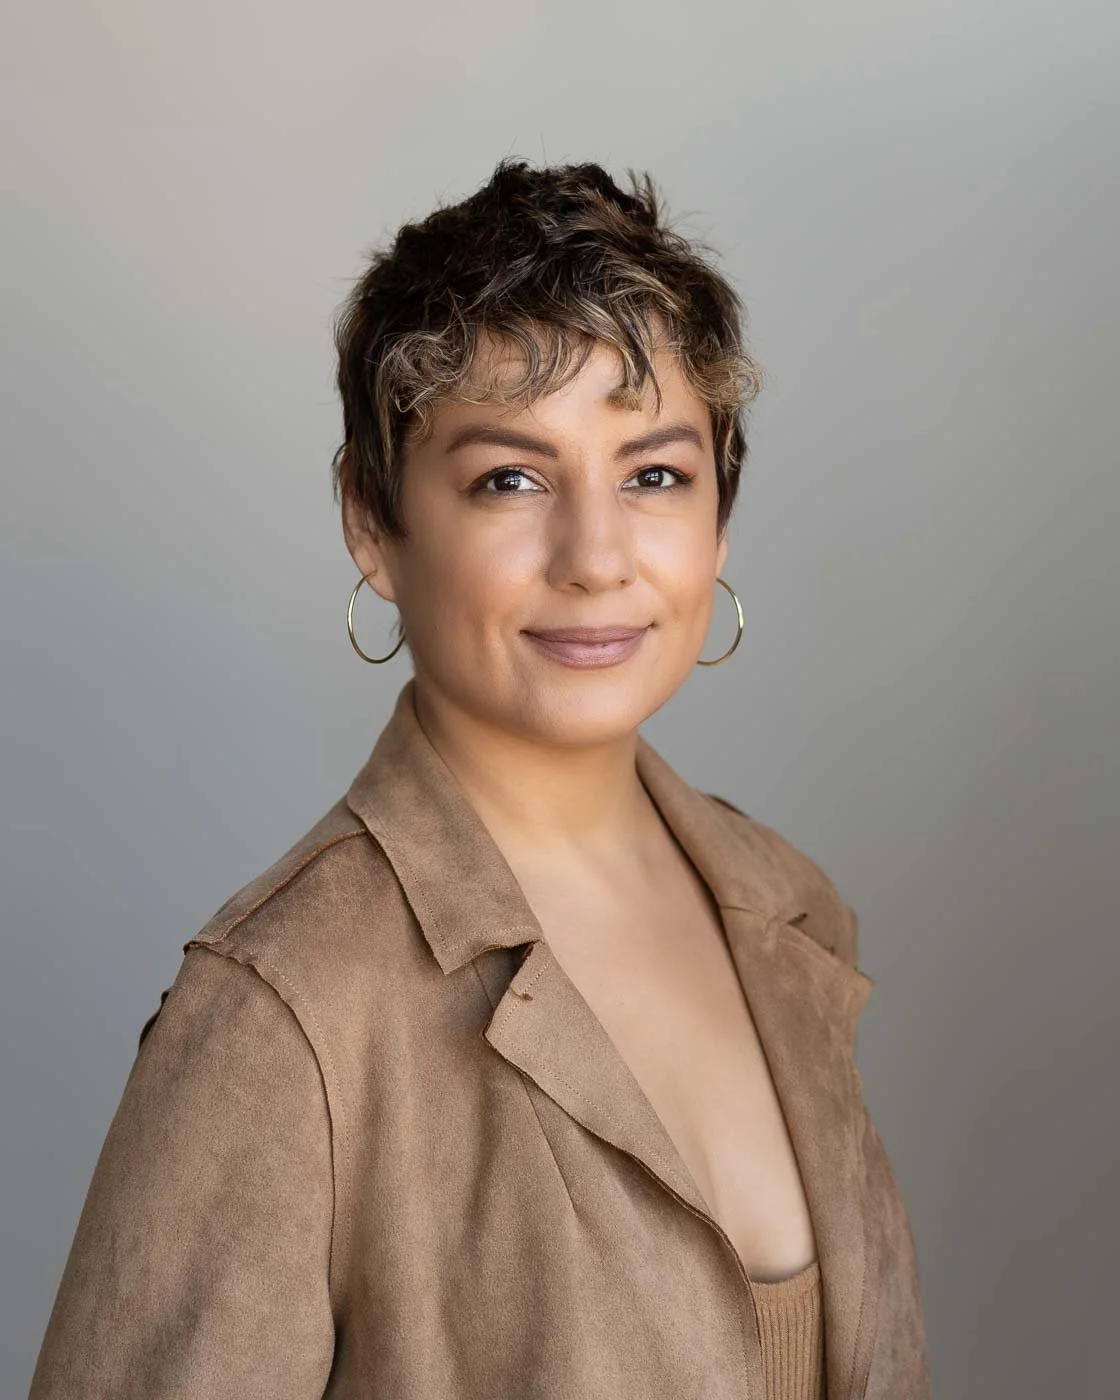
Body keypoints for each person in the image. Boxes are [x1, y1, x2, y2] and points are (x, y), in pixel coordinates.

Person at [28, 157, 931, 1400]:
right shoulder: (282, 1014)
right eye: (510, 478)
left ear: (721, 514)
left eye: (654, 472)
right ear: (371, 518)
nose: (596, 554)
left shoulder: (792, 912)